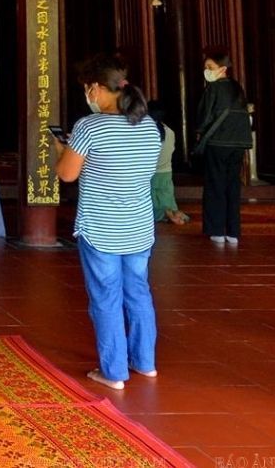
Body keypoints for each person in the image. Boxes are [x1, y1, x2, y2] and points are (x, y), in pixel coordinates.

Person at [56, 54, 160, 392]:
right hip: (139, 226)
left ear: (99, 89)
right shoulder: (149, 125)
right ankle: (145, 362)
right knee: (139, 292)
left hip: (101, 227)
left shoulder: (89, 127)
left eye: (89, 90)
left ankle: (113, 370)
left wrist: (63, 148)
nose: (89, 97)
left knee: (106, 297)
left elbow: (67, 174)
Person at [192, 48, 252, 245]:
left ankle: (216, 229)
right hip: (238, 143)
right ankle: (233, 231)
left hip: (218, 142)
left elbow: (205, 115)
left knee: (215, 186)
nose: (207, 71)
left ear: (222, 69)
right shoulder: (237, 88)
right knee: (232, 185)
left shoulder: (214, 88)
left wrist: (199, 130)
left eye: (210, 67)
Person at [148, 107, 189, 226]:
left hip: (152, 173)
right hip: (166, 171)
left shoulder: (147, 132)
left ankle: (165, 214)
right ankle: (174, 212)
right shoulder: (170, 131)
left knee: (151, 205)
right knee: (167, 199)